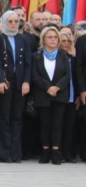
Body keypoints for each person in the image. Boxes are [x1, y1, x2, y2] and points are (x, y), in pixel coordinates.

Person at [0, 10, 31, 163]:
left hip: (20, 82)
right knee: (4, 117)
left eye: (16, 21)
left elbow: (28, 62)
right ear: (4, 22)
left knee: (17, 117)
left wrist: (26, 81)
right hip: (5, 82)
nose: (14, 24)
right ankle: (4, 153)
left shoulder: (23, 39)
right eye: (10, 21)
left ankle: (16, 153)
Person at [31, 25, 70, 165]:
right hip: (43, 93)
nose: (53, 39)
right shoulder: (36, 56)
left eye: (55, 37)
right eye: (50, 37)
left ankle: (55, 151)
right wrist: (47, 87)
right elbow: (35, 75)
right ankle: (45, 151)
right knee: (45, 123)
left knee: (57, 123)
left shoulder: (63, 55)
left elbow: (67, 75)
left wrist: (57, 87)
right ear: (44, 40)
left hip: (59, 94)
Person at [58, 27, 79, 163]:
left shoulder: (74, 59)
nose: (66, 43)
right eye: (63, 41)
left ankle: (67, 153)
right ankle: (57, 151)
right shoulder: (56, 57)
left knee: (69, 126)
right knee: (58, 125)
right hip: (59, 97)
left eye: (68, 41)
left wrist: (78, 95)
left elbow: (77, 78)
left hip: (72, 97)